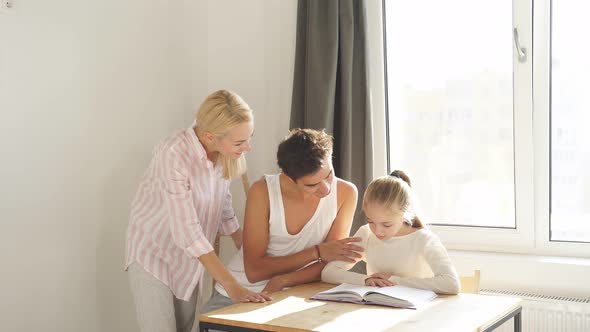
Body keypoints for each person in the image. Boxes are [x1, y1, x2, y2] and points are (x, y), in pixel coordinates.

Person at [125, 90, 270, 332]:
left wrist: (247, 250)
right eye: (239, 142)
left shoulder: (223, 153)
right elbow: (187, 233)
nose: (248, 147)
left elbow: (222, 203)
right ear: (210, 136)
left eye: (249, 137)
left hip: (191, 259)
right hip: (153, 252)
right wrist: (232, 286)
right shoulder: (173, 154)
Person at [202, 128, 363, 312]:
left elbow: (332, 264)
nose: (326, 189)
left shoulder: (346, 193)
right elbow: (254, 272)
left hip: (298, 293)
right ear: (288, 177)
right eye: (312, 184)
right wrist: (316, 252)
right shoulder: (263, 192)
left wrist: (283, 280)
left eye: (329, 175)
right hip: (241, 294)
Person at [321, 170, 460, 294]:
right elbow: (328, 273)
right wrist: (366, 280)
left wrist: (394, 281)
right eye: (371, 221)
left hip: (416, 313)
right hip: (378, 308)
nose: (378, 231)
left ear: (405, 214)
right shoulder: (366, 233)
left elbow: (451, 284)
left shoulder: (424, 240)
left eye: (386, 225)